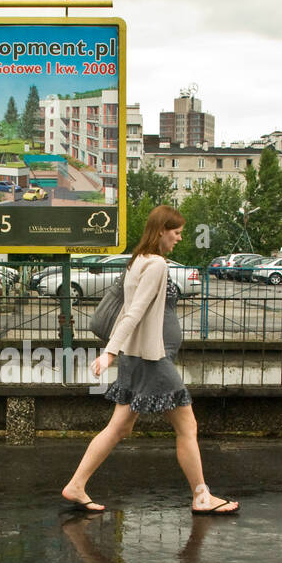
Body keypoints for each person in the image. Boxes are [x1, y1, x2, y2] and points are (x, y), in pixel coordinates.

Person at [61, 205, 238, 515]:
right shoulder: (155, 264)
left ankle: (76, 484)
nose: (180, 238)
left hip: (135, 358)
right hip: (151, 360)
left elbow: (129, 310)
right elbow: (134, 311)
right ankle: (201, 496)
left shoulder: (136, 261)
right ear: (161, 231)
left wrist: (116, 351)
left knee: (118, 429)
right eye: (177, 232)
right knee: (187, 427)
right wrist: (109, 352)